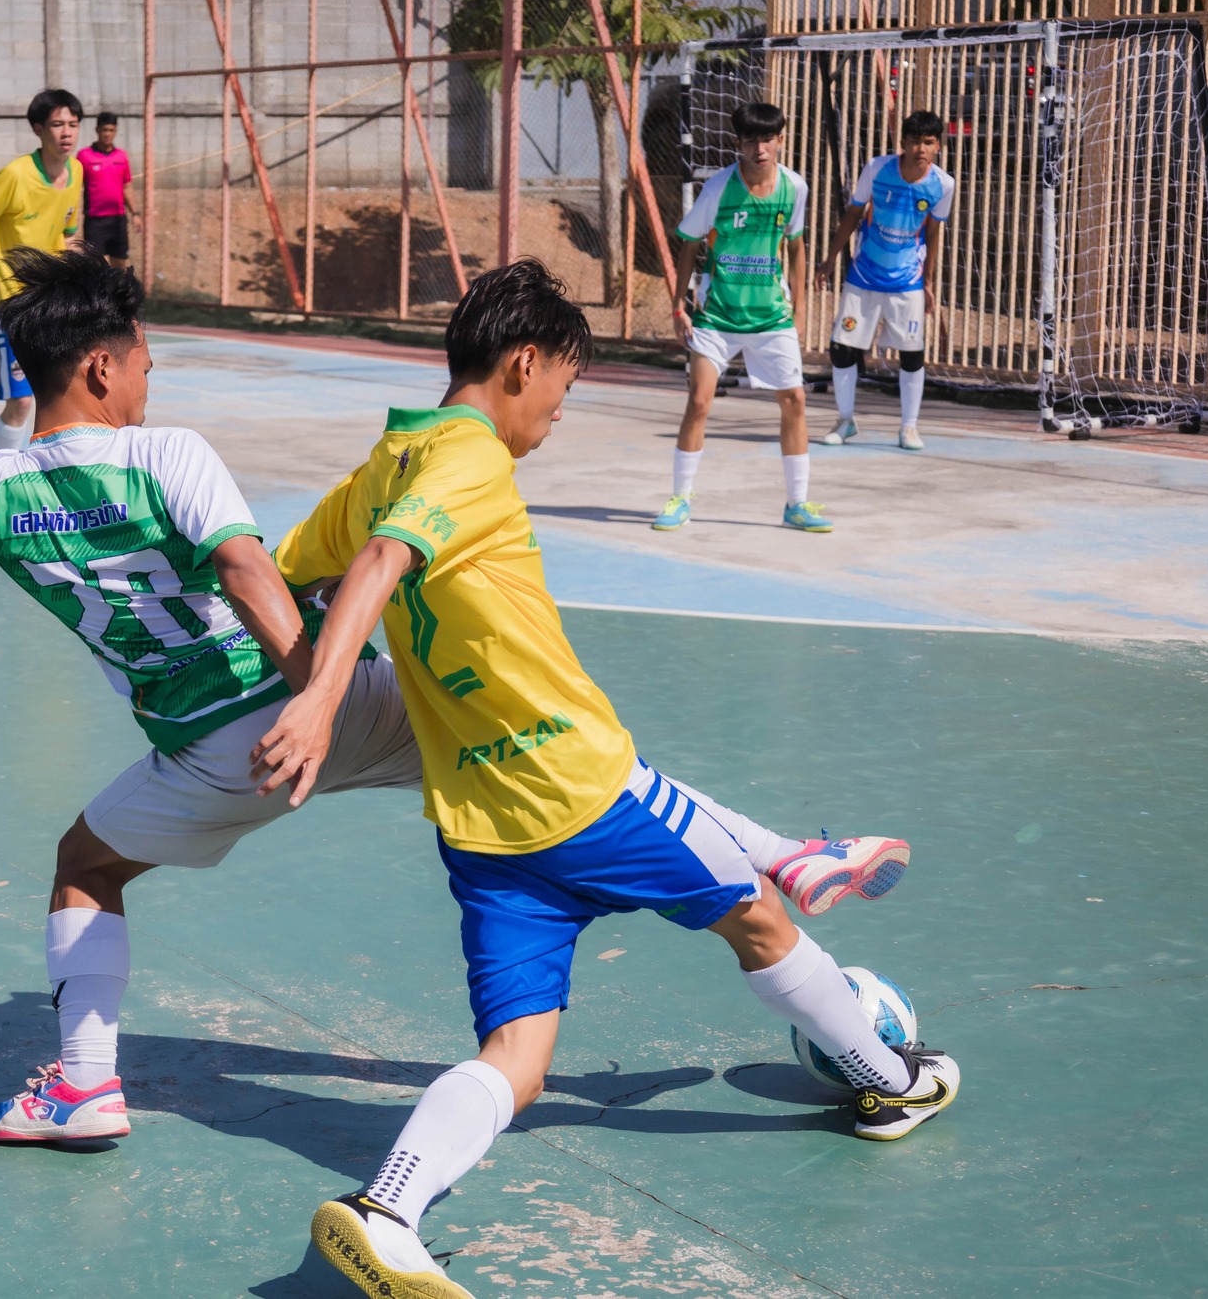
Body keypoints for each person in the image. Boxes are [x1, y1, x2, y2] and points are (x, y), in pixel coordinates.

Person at [253, 261, 952, 1299]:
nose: (557, 415)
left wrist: (300, 665)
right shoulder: (466, 459)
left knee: (516, 1060)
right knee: (757, 922)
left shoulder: (384, 461)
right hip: (581, 795)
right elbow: (379, 564)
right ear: (520, 364)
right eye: (562, 393)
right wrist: (317, 701)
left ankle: (384, 1211)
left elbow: (289, 568)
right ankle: (888, 1083)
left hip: (483, 831)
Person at [0, 247, 428, 1144]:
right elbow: (245, 569)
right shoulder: (165, 452)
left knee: (86, 867)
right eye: (143, 365)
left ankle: (86, 1089)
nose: (145, 384)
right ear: (101, 364)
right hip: (312, 695)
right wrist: (318, 695)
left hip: (211, 757)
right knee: (556, 777)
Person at [655, 101, 826, 534]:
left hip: (771, 317)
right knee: (699, 401)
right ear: (739, 144)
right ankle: (680, 498)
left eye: (767, 139)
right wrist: (679, 304)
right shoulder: (717, 190)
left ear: (780, 140)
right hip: (717, 316)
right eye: (751, 140)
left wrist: (801, 309)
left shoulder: (795, 189)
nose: (760, 148)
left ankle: (797, 504)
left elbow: (797, 246)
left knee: (796, 401)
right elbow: (690, 244)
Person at [817, 110, 954, 452]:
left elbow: (935, 231)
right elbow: (854, 212)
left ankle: (908, 427)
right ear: (903, 143)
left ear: (938, 146)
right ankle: (845, 420)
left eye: (929, 142)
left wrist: (929, 281)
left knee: (911, 353)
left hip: (907, 282)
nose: (921, 148)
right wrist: (831, 257)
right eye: (914, 141)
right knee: (842, 347)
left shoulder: (943, 184)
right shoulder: (877, 168)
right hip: (863, 276)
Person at [0, 89, 85, 450]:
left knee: (65, 392)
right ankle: (3, 475)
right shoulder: (15, 176)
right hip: (16, 302)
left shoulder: (75, 172)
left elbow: (67, 231)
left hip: (54, 299)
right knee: (21, 400)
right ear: (38, 129)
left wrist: (80, 267)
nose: (67, 133)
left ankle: (55, 468)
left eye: (74, 125)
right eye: (58, 124)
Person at [76, 111, 137, 271]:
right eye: (104, 130)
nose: (107, 134)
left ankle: (117, 296)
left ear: (115, 131)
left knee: (120, 266)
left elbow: (127, 186)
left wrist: (135, 213)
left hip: (118, 219)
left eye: (111, 130)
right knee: (97, 267)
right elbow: (74, 187)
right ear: (97, 130)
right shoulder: (84, 156)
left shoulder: (121, 156)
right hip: (95, 221)